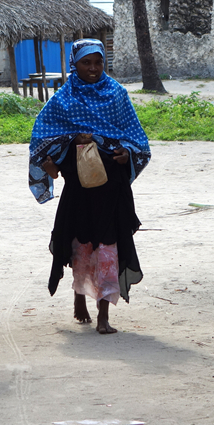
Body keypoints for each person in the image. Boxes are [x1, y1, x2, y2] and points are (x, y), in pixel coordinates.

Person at [28, 39, 150, 334]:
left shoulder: (117, 94)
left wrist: (127, 153)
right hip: (79, 190)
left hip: (112, 188)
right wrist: (65, 150)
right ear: (75, 64)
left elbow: (136, 138)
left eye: (98, 62)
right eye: (86, 63)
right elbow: (42, 138)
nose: (93, 68)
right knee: (80, 245)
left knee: (108, 247)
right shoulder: (63, 100)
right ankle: (79, 299)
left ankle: (104, 315)